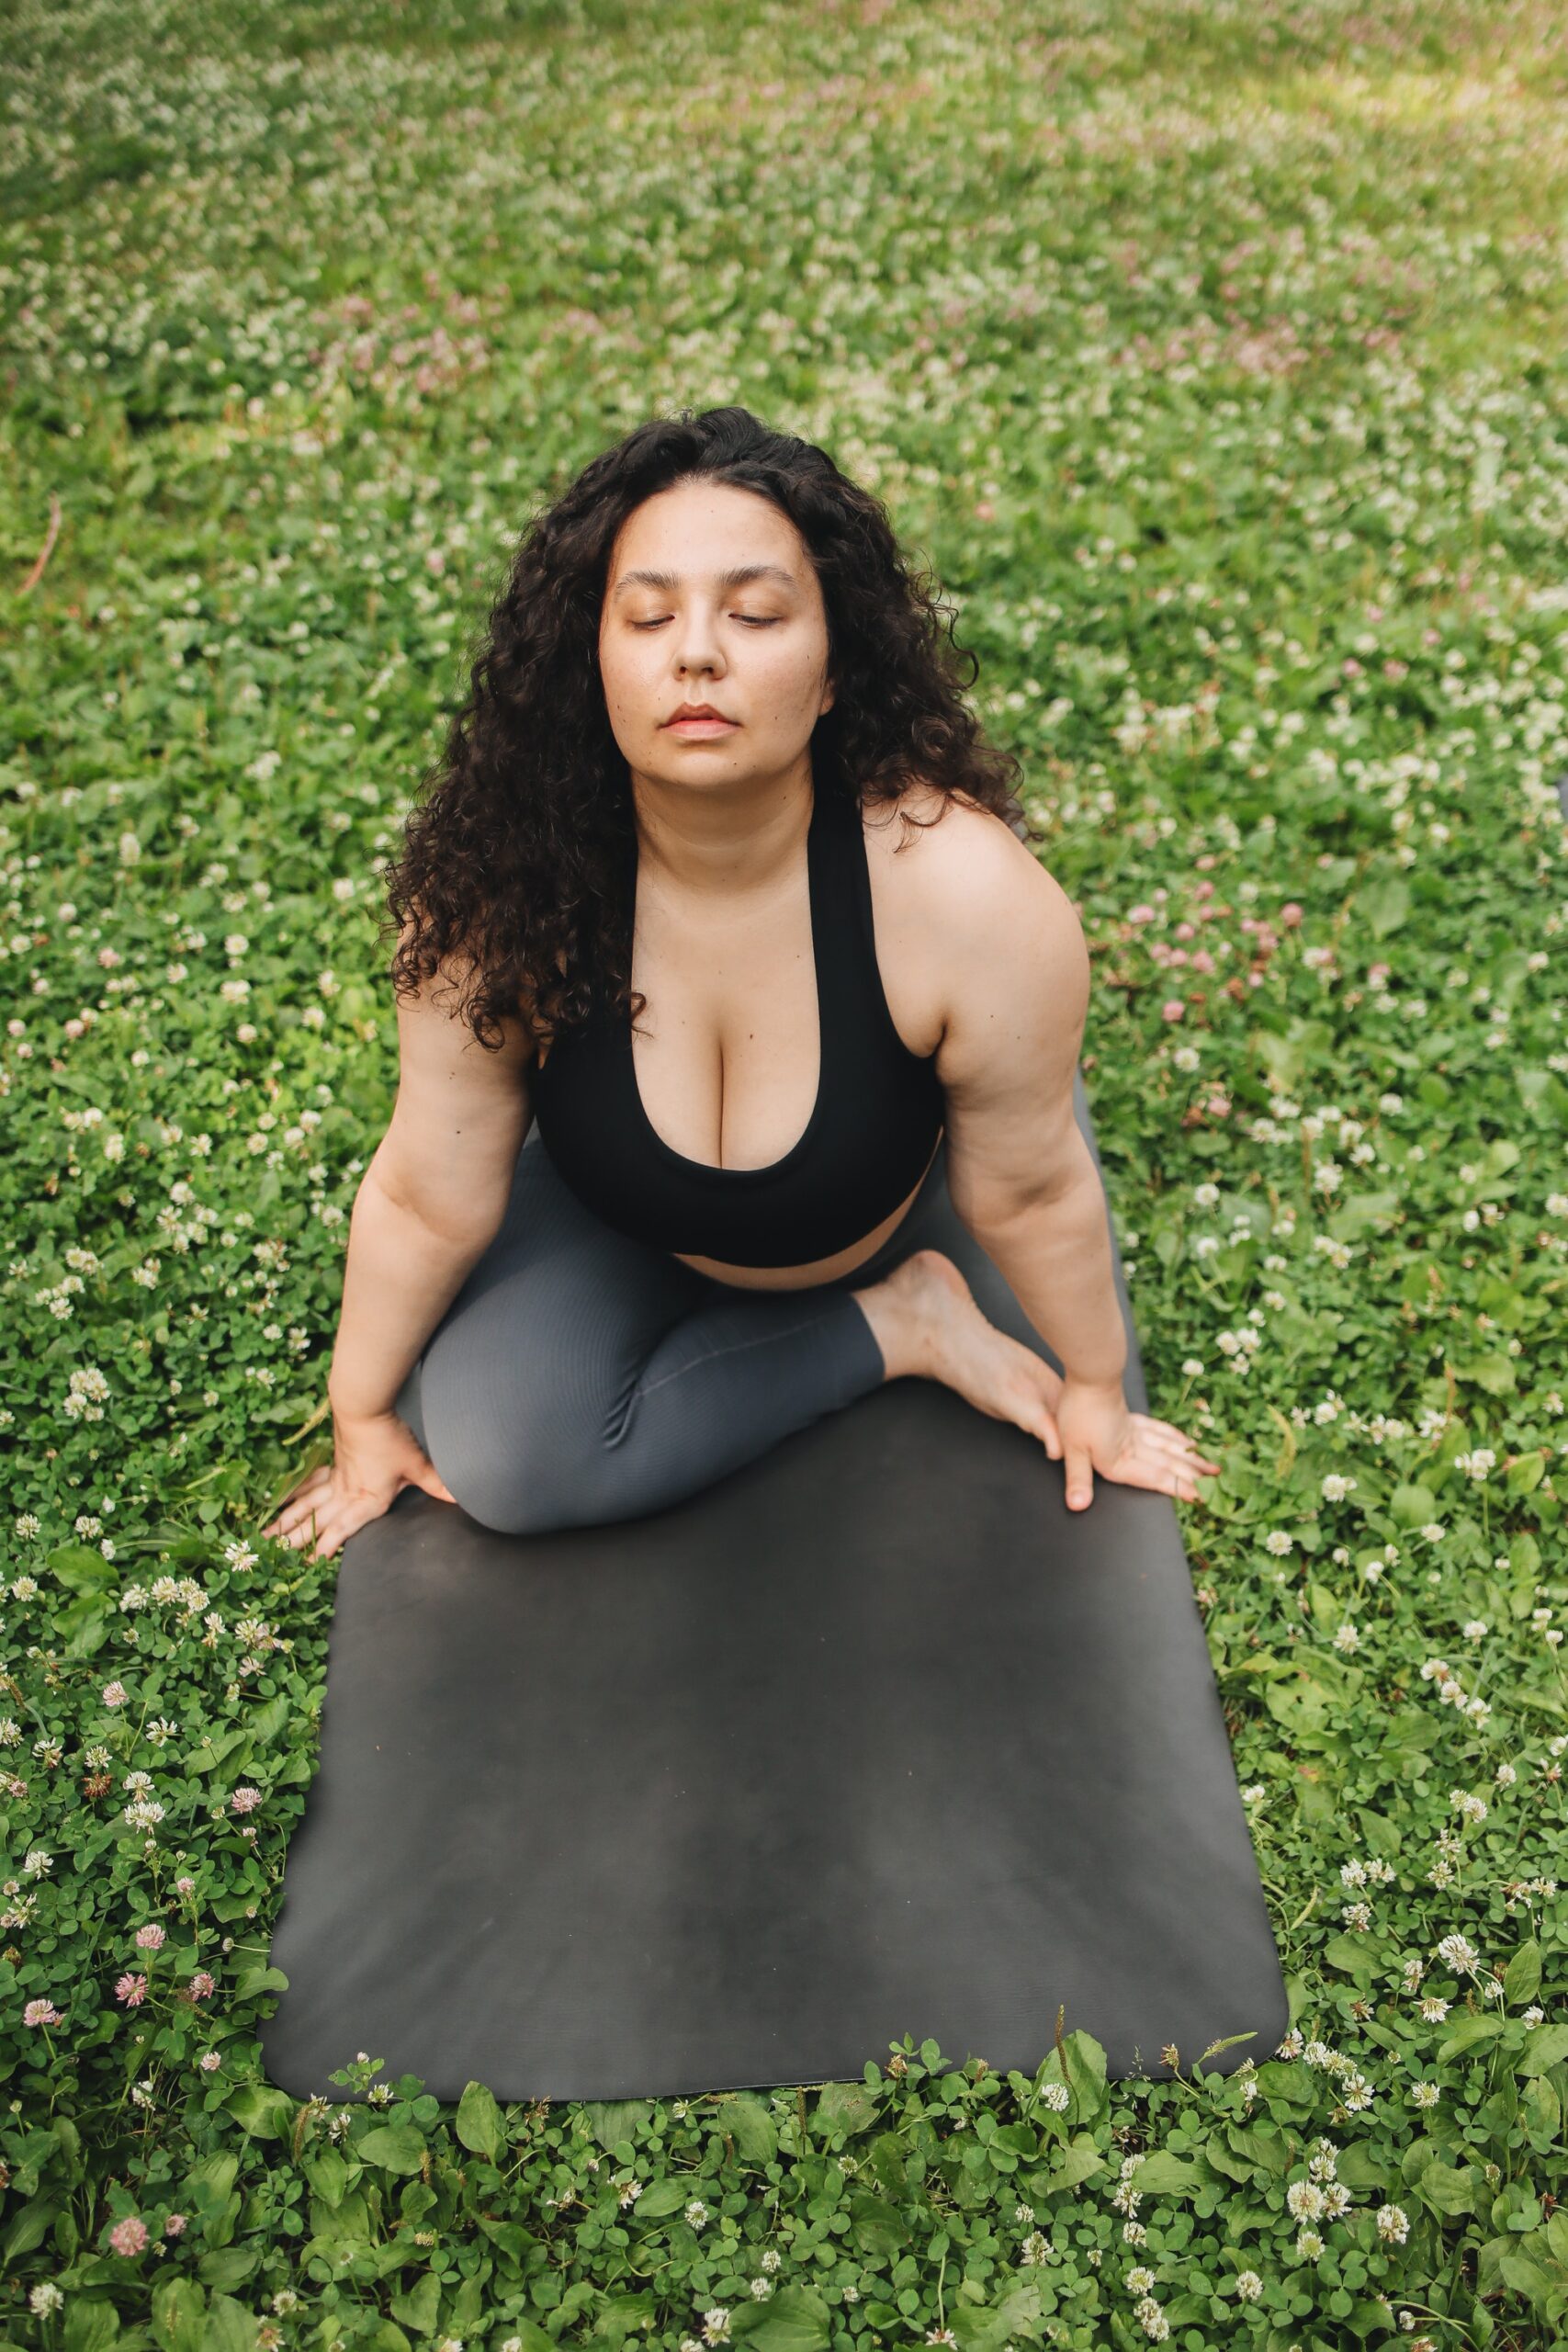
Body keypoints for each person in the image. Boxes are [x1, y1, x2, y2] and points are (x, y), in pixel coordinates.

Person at [263, 406, 1219, 1561]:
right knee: (510, 1457)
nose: (697, 654)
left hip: (868, 1216)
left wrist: (1097, 1389)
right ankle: (899, 1327)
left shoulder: (963, 895)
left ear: (833, 670)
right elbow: (429, 1187)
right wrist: (360, 1411)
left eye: (755, 614)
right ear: (592, 660)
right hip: (627, 1222)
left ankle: (920, 1294)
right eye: (648, 616)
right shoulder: (498, 895)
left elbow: (1029, 1188)